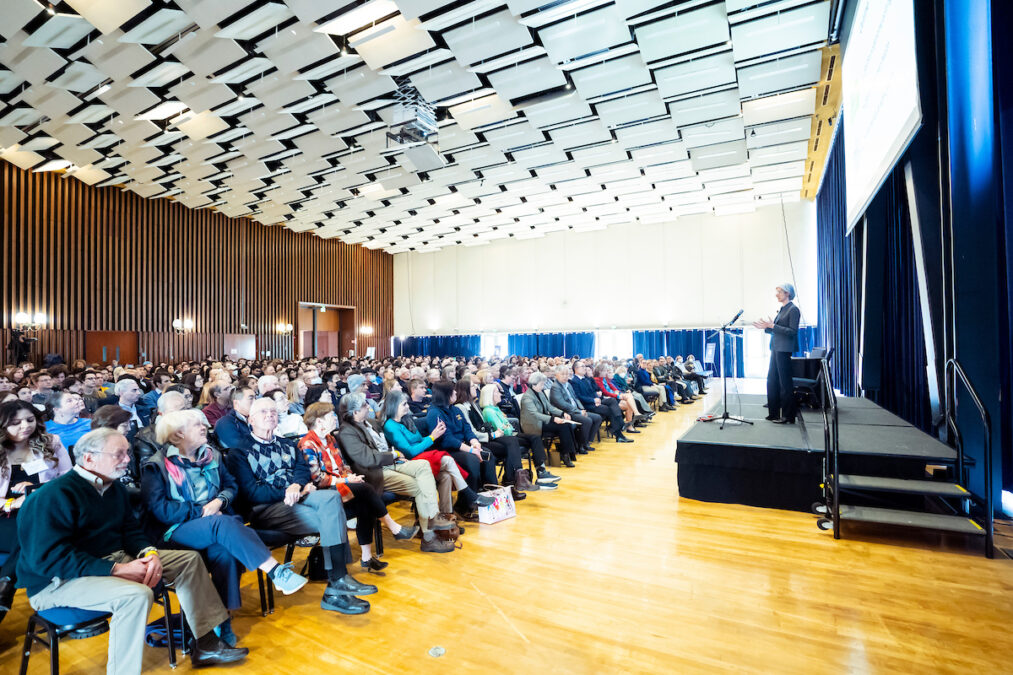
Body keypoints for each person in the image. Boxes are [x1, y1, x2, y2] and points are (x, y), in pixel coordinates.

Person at [17, 428, 248, 673]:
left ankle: (206, 644)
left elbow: (130, 531)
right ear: (89, 458)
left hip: (106, 561)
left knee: (188, 560)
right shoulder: (52, 496)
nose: (128, 460)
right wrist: (116, 569)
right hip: (55, 582)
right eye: (119, 454)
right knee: (136, 595)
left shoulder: (113, 488)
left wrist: (150, 553)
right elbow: (47, 560)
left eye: (127, 453)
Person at [142, 409, 308, 645]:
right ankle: (274, 571)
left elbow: (231, 486)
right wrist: (202, 511)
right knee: (221, 523)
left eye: (203, 423)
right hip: (176, 530)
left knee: (225, 552)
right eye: (196, 425)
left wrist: (219, 501)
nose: (204, 427)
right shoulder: (156, 466)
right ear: (177, 435)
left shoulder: (212, 455)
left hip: (217, 522)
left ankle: (222, 622)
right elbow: (160, 510)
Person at [225, 398, 375, 614]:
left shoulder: (285, 443)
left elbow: (302, 469)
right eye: (263, 412)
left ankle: (338, 582)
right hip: (267, 508)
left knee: (332, 500)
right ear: (251, 419)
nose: (270, 415)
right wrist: (289, 491)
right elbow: (252, 493)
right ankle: (337, 585)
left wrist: (297, 485)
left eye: (273, 411)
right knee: (333, 516)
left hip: (299, 498)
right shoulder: (239, 452)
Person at [300, 402, 443, 565]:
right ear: (319, 422)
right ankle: (394, 528)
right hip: (325, 491)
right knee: (366, 489)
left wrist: (350, 476)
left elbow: (343, 465)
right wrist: (347, 479)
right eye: (330, 416)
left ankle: (367, 558)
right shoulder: (307, 444)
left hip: (343, 482)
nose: (334, 418)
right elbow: (317, 478)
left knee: (365, 503)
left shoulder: (330, 438)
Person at [338, 393, 454, 539]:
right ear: (355, 412)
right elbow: (368, 459)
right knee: (419, 484)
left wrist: (395, 456)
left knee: (424, 466)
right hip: (374, 473)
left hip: (389, 464)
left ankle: (433, 520)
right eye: (364, 405)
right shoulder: (347, 432)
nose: (369, 406)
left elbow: (385, 446)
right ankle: (429, 535)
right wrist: (393, 455)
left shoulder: (371, 422)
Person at [0, 400, 73, 624]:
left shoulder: (51, 442)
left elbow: (68, 481)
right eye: (16, 423)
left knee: (35, 526)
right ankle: (6, 583)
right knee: (31, 531)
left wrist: (34, 493)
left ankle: (5, 584)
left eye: (30, 420)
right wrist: (12, 504)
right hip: (6, 515)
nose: (25, 426)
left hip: (45, 512)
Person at [383, 390, 493, 526]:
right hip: (410, 462)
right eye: (404, 404)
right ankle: (468, 494)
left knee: (446, 476)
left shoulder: (407, 420)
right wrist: (432, 437)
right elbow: (410, 451)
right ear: (394, 405)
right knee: (447, 460)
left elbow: (419, 440)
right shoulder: (390, 425)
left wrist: (433, 436)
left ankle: (447, 518)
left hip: (422, 455)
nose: (408, 406)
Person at [425, 381, 500, 515]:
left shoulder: (455, 409)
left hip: (462, 446)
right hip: (446, 451)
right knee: (472, 460)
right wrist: (471, 450)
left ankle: (489, 493)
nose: (455, 393)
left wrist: (475, 443)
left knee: (487, 454)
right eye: (452, 391)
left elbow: (467, 429)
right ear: (445, 394)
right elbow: (447, 439)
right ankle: (465, 505)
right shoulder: (434, 413)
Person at [455, 378, 535, 496]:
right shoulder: (460, 407)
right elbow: (471, 432)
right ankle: (512, 482)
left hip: (485, 438)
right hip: (476, 441)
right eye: (473, 386)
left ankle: (512, 482)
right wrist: (492, 434)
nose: (476, 388)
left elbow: (483, 425)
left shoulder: (473, 404)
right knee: (511, 446)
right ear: (465, 389)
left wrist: (493, 432)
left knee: (512, 444)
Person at [479, 384, 560, 487]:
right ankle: (522, 477)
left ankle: (541, 470)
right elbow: (504, 430)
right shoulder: (488, 411)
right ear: (490, 395)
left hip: (511, 435)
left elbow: (507, 426)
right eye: (497, 392)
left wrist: (507, 426)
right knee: (525, 440)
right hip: (503, 438)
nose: (500, 394)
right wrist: (507, 426)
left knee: (534, 438)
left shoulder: (495, 408)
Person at [753, 282, 801, 424]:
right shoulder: (782, 309)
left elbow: (792, 332)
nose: (777, 294)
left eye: (779, 292)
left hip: (784, 349)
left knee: (785, 384)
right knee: (772, 381)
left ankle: (788, 416)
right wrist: (766, 327)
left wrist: (772, 325)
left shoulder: (793, 309)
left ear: (787, 293)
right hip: (775, 348)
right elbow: (777, 329)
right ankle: (773, 413)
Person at [518, 372, 580, 467]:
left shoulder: (540, 393)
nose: (543, 386)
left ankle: (567, 452)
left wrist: (562, 413)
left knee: (566, 424)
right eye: (541, 384)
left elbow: (550, 407)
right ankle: (565, 454)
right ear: (534, 384)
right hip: (533, 424)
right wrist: (553, 419)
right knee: (562, 427)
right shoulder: (527, 397)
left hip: (542, 421)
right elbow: (535, 414)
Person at [571, 362, 633, 443]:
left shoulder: (586, 379)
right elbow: (578, 397)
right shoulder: (574, 381)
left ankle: (619, 430)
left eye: (584, 366)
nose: (584, 368)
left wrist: (597, 399)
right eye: (582, 366)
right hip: (586, 405)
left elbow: (594, 391)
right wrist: (593, 400)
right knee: (611, 410)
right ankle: (619, 430)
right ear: (576, 368)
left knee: (612, 401)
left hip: (595, 402)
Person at [549, 365, 601, 454]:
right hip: (566, 413)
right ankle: (580, 445)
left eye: (566, 374)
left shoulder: (568, 384)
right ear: (556, 375)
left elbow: (575, 398)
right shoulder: (555, 387)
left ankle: (587, 442)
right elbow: (562, 404)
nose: (565, 376)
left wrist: (581, 408)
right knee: (587, 421)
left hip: (576, 410)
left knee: (597, 418)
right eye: (562, 374)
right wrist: (579, 411)